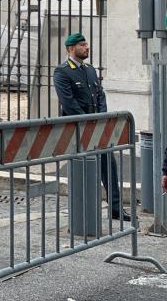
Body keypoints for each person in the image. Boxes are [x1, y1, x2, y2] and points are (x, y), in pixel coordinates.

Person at [53, 32, 131, 221]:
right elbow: (68, 103)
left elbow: (100, 94)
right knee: (83, 168)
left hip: (97, 125)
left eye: (86, 44)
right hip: (79, 128)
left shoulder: (89, 69)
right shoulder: (62, 71)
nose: (87, 48)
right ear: (72, 49)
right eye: (82, 45)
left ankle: (115, 207)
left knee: (108, 166)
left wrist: (101, 118)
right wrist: (88, 122)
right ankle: (85, 211)